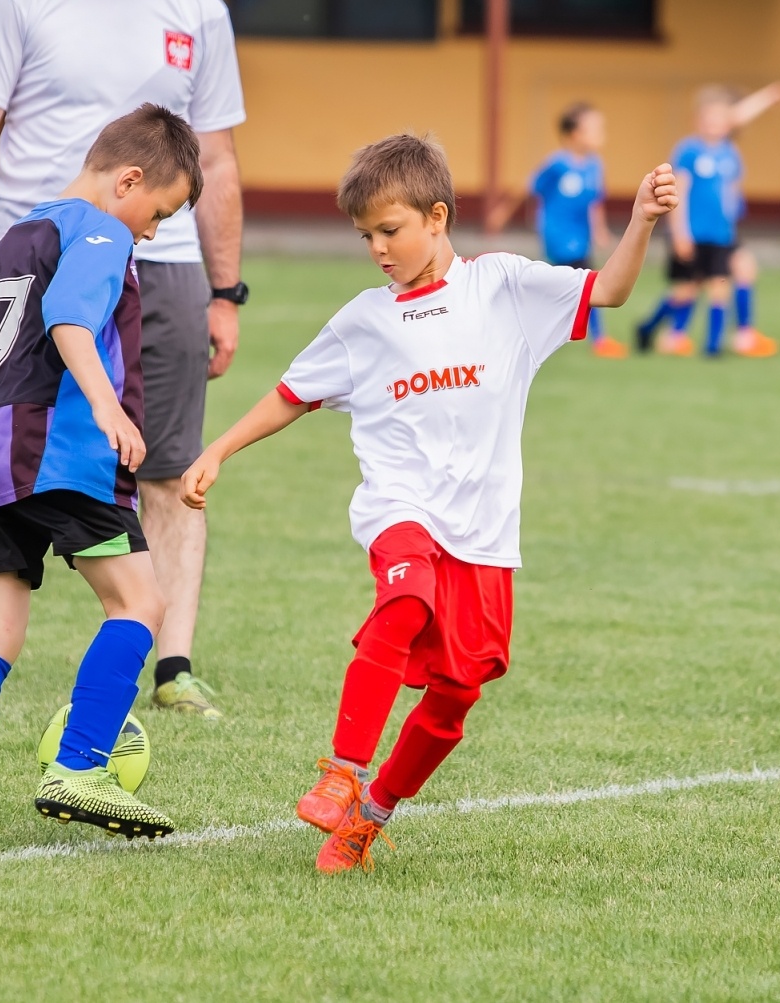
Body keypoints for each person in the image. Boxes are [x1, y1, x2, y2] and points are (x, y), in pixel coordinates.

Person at [181, 135, 677, 874]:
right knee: (405, 596)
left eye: (390, 231)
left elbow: (607, 291)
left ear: (437, 217)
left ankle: (368, 817)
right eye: (366, 237)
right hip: (399, 506)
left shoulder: (503, 288)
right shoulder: (363, 321)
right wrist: (218, 449)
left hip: (483, 533)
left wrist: (640, 221)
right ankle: (343, 769)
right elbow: (293, 395)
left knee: (455, 696)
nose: (377, 249)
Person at [0, 0, 246, 720]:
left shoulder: (199, 11)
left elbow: (215, 163)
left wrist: (225, 290)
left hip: (172, 271)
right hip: (37, 248)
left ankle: (172, 663)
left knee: (167, 466)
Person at [0, 105, 201, 843]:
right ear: (128, 180)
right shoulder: (100, 230)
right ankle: (79, 765)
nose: (152, 231)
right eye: (158, 212)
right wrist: (108, 408)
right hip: (62, 450)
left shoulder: (17, 233)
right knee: (139, 602)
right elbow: (73, 317)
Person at [634, 83, 780, 358]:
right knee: (685, 291)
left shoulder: (730, 153)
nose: (716, 124)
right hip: (692, 234)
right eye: (708, 119)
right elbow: (678, 192)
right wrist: (680, 234)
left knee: (720, 284)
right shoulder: (689, 151)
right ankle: (648, 328)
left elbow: (731, 190)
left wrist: (732, 213)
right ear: (697, 121)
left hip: (721, 235)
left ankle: (713, 347)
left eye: (721, 119)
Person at [526, 103, 624, 358]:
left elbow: (594, 201)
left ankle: (565, 333)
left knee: (576, 283)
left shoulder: (595, 165)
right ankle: (598, 339)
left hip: (581, 235)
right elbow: (536, 189)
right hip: (559, 234)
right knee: (586, 282)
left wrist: (599, 230)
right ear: (575, 134)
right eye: (594, 129)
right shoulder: (557, 164)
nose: (601, 134)